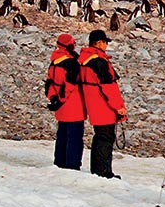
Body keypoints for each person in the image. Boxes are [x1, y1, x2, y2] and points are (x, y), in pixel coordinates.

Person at [78, 29, 127, 179]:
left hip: (93, 104)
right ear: (99, 43)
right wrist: (119, 107)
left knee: (100, 136)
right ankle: (103, 172)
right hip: (103, 105)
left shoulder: (83, 59)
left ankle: (97, 169)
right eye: (105, 42)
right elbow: (109, 87)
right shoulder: (99, 62)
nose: (106, 46)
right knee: (106, 137)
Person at [45, 33, 84, 170]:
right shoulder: (71, 62)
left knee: (62, 136)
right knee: (74, 138)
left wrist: (53, 98)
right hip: (74, 106)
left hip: (61, 108)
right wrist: (61, 99)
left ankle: (59, 162)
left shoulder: (55, 61)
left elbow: (49, 83)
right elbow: (70, 84)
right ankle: (72, 165)